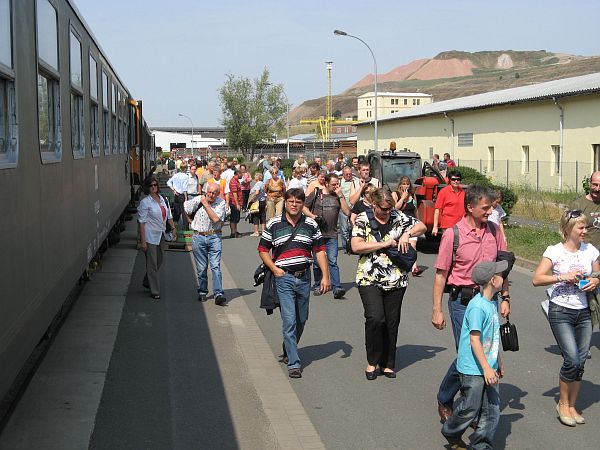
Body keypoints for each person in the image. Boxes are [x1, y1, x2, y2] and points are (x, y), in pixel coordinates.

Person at [432, 185, 510, 424]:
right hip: (462, 302)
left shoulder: (495, 231)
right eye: (485, 208)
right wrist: (437, 309)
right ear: (470, 207)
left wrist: (505, 297)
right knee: (468, 355)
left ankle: (471, 406)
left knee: (483, 353)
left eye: (491, 207)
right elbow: (441, 274)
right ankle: (454, 401)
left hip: (489, 300)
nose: (490, 211)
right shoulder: (452, 234)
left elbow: (503, 267)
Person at [532, 209, 599, 426]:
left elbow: (598, 273)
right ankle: (562, 404)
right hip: (561, 310)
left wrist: (595, 281)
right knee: (571, 358)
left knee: (580, 361)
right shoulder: (555, 251)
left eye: (585, 227)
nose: (584, 231)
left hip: (584, 311)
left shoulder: (591, 250)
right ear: (567, 230)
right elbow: (537, 279)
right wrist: (563, 276)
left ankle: (572, 405)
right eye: (580, 227)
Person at [351, 188, 426, 379]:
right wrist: (383, 244)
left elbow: (422, 226)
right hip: (369, 277)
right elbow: (356, 246)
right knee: (375, 318)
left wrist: (407, 234)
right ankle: (372, 361)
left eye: (389, 208)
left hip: (396, 278)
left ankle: (388, 363)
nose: (386, 212)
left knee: (392, 322)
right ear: (374, 205)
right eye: (383, 209)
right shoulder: (363, 219)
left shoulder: (398, 216)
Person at [258, 188, 331, 378]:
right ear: (285, 202)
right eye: (290, 201)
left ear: (302, 204)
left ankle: (288, 346)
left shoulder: (311, 225)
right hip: (284, 278)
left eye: (298, 202)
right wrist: (274, 269)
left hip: (305, 277)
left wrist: (325, 276)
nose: (294, 204)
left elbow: (320, 250)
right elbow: (263, 249)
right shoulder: (274, 224)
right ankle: (294, 362)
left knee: (301, 319)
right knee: (289, 321)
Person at [441, 261, 506, 450]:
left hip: (488, 366)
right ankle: (451, 431)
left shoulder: (491, 302)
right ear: (493, 280)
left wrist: (498, 362)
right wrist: (486, 367)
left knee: (491, 409)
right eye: (500, 275)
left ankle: (482, 445)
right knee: (470, 407)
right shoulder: (478, 307)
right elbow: (475, 340)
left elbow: (491, 338)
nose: (504, 277)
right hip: (473, 368)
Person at [303, 173, 351, 299]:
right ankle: (319, 285)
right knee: (317, 262)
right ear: (326, 183)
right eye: (333, 184)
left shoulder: (337, 195)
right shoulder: (317, 193)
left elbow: (346, 211)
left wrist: (340, 195)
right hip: (317, 234)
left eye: (337, 184)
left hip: (332, 234)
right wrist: (313, 217)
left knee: (333, 261)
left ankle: (337, 287)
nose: (336, 186)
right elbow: (304, 208)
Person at [185, 182, 228, 305]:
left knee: (215, 266)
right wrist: (190, 219)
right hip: (199, 236)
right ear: (206, 191)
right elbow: (186, 208)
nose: (211, 195)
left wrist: (205, 205)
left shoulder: (221, 203)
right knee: (202, 267)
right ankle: (202, 291)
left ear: (218, 194)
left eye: (214, 193)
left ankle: (218, 293)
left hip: (214, 236)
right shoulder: (199, 199)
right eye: (209, 192)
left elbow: (215, 219)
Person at [138, 177, 176, 300]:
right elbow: (142, 222)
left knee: (160, 260)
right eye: (151, 185)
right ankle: (155, 290)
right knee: (152, 264)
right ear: (147, 188)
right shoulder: (145, 202)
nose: (153, 187)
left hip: (160, 234)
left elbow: (168, 215)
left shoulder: (163, 199)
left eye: (155, 185)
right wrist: (143, 241)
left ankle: (146, 280)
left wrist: (173, 228)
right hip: (149, 236)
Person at [392, 176, 423, 276]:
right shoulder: (395, 194)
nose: (405, 185)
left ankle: (414, 268)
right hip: (400, 223)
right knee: (401, 245)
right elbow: (394, 208)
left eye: (407, 184)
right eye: (404, 183)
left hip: (412, 223)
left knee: (413, 245)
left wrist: (418, 221)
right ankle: (401, 263)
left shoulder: (412, 195)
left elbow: (415, 209)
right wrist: (403, 198)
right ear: (400, 184)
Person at [570, 171, 600, 249]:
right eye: (595, 184)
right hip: (586, 254)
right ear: (589, 183)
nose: (597, 189)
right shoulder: (578, 205)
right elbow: (569, 232)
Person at [432, 169, 465, 237]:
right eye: (453, 179)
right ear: (449, 180)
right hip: (448, 225)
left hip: (461, 225)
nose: (456, 181)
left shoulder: (463, 192)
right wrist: (435, 227)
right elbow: (437, 209)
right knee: (448, 246)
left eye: (458, 179)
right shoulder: (443, 192)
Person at [339, 166, 360, 252]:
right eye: (346, 174)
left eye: (350, 174)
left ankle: (352, 246)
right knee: (344, 229)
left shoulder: (356, 181)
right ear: (343, 174)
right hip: (343, 207)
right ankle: (346, 247)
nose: (348, 175)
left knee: (354, 227)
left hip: (354, 208)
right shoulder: (340, 182)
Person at [167, 163, 190, 231]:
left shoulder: (176, 175)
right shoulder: (185, 176)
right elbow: (184, 188)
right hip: (182, 195)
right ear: (185, 168)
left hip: (176, 195)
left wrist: (173, 190)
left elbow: (168, 182)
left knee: (176, 212)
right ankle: (185, 228)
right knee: (184, 212)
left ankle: (174, 227)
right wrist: (186, 198)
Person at [249, 172, 267, 236]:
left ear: (258, 177)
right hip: (263, 201)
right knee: (263, 215)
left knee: (255, 215)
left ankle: (256, 231)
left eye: (255, 176)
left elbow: (257, 192)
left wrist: (253, 198)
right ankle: (263, 230)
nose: (254, 177)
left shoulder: (258, 184)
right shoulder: (263, 184)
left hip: (257, 201)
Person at [228, 168, 243, 238]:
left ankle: (235, 231)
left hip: (237, 202)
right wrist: (237, 204)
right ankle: (233, 232)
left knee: (236, 218)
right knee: (234, 218)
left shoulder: (236, 181)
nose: (242, 175)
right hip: (234, 203)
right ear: (238, 174)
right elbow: (234, 194)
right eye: (241, 173)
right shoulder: (233, 181)